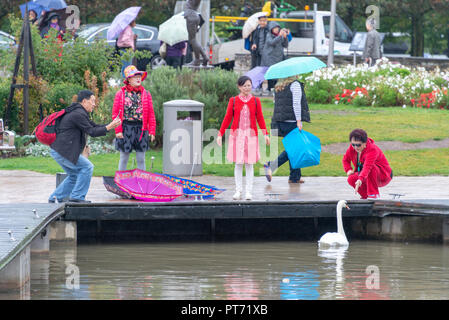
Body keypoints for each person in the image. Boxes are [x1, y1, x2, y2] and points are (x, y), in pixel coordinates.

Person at [48, 90, 121, 203]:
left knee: (74, 175)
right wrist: (109, 127)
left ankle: (55, 198)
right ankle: (77, 197)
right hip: (62, 150)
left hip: (59, 150)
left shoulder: (80, 113)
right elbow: (92, 131)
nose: (94, 104)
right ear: (84, 101)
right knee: (87, 167)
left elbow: (94, 126)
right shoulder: (78, 114)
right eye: (92, 101)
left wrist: (110, 125)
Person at [217, 75, 270, 200]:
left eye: (249, 85)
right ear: (239, 87)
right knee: (238, 164)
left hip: (251, 137)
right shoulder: (233, 100)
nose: (247, 88)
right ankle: (238, 190)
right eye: (245, 85)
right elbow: (227, 118)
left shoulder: (256, 101)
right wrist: (220, 134)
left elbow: (260, 118)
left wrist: (265, 134)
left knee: (249, 164)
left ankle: (248, 192)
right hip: (237, 136)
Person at [264, 75, 310, 184]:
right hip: (291, 122)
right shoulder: (295, 85)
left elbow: (276, 104)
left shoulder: (279, 86)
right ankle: (271, 165)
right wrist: (299, 121)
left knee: (295, 149)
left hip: (280, 122)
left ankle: (295, 177)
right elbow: (296, 104)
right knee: (293, 149)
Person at [112, 65, 156, 172]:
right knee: (124, 158)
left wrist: (152, 131)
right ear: (129, 79)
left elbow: (151, 114)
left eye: (139, 76)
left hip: (141, 129)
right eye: (135, 76)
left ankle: (142, 182)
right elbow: (115, 114)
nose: (138, 78)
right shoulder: (121, 94)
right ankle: (120, 182)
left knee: (141, 159)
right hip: (126, 128)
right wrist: (118, 130)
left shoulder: (146, 94)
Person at [342, 128, 392, 199]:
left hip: (383, 176)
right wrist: (348, 169)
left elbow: (367, 167)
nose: (355, 147)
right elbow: (345, 159)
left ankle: (373, 194)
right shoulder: (352, 148)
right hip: (366, 175)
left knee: (371, 168)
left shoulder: (372, 149)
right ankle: (365, 197)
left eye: (358, 145)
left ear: (365, 143)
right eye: (353, 144)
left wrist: (360, 179)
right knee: (351, 179)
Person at [260, 22, 289, 93]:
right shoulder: (269, 35)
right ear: (271, 29)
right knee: (271, 73)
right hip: (269, 57)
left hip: (278, 57)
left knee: (277, 73)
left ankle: (275, 88)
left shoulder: (281, 35)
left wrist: (285, 37)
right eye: (274, 28)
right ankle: (269, 88)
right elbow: (272, 42)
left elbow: (285, 45)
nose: (276, 30)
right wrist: (279, 36)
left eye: (277, 28)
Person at [184, 0, 209, 66]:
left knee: (193, 40)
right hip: (192, 16)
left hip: (191, 17)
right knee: (193, 40)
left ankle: (197, 60)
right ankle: (204, 57)